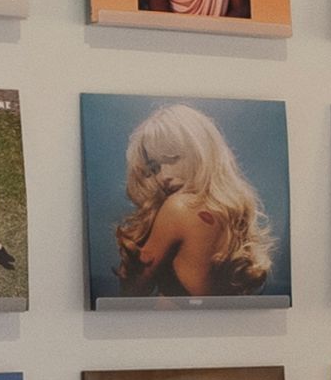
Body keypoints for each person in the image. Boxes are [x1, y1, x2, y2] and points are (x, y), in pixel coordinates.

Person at [109, 103, 271, 295]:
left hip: (165, 325)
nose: (163, 176)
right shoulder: (229, 215)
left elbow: (131, 292)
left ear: (201, 151)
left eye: (171, 159)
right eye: (155, 167)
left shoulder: (179, 207)